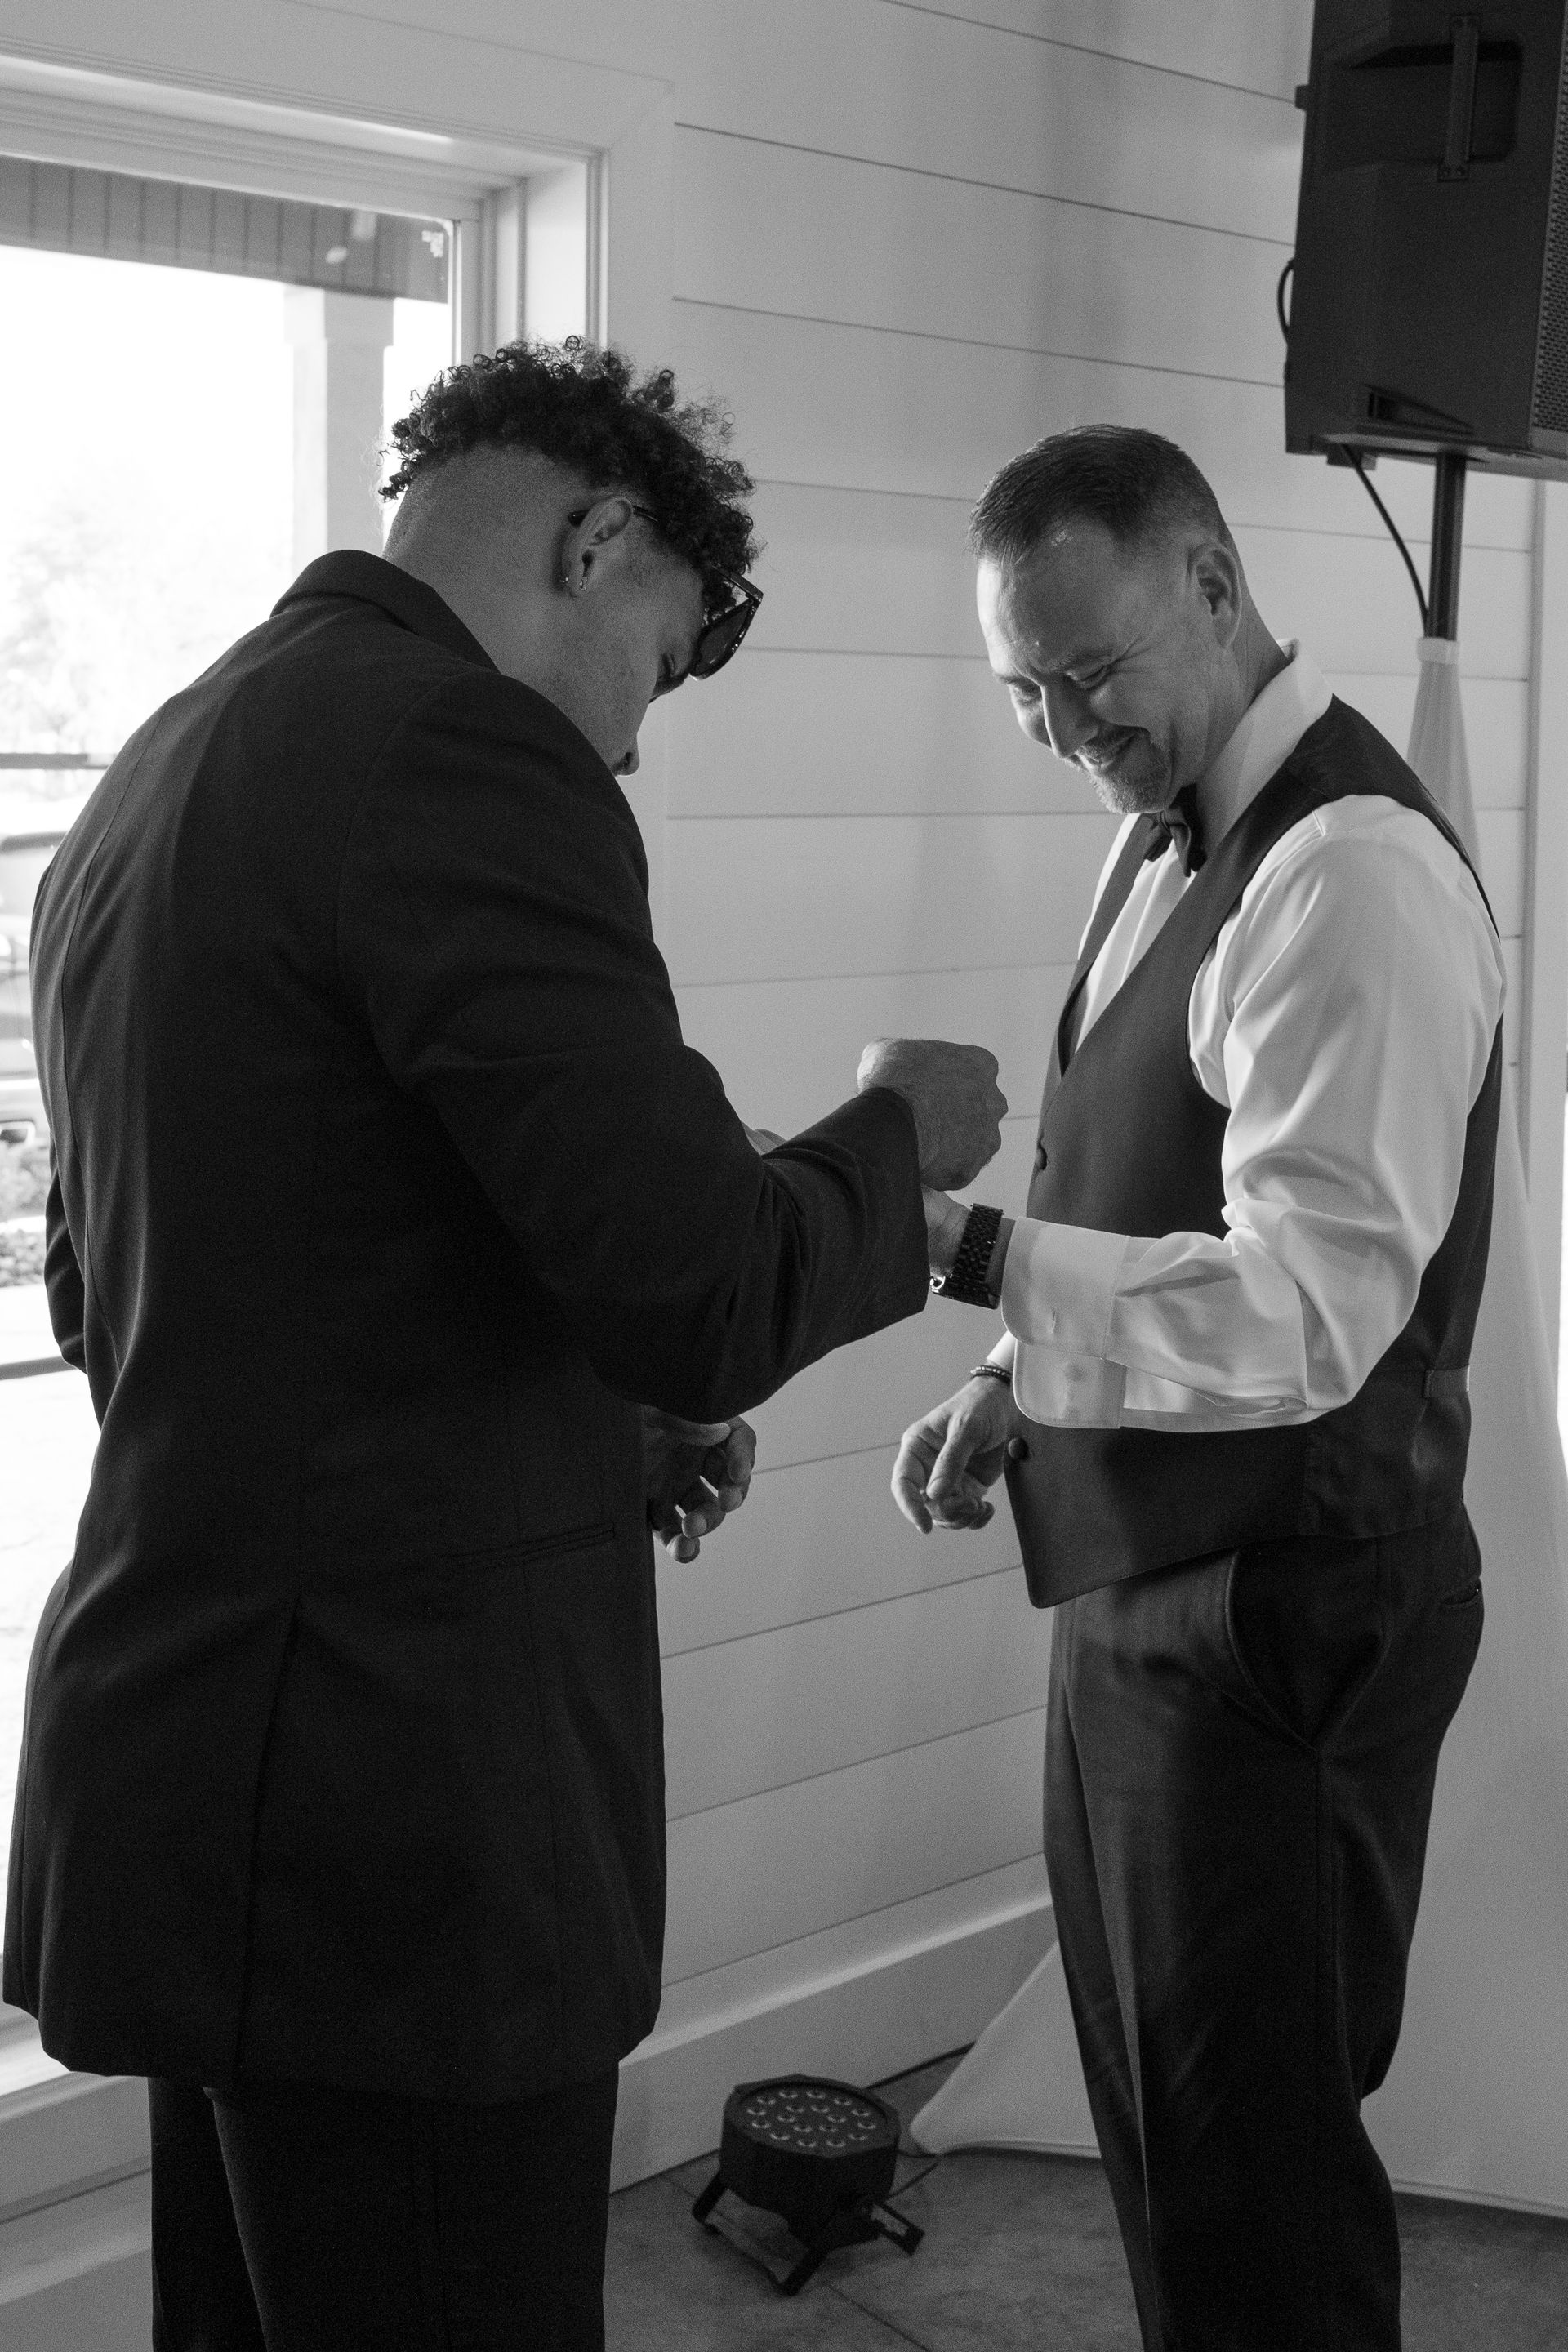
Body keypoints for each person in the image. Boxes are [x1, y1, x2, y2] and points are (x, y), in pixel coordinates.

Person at [2, 338, 1005, 2351]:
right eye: (673, 649)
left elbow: (142, 1301)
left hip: (195, 1768)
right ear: (601, 534)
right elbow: (699, 1277)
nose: (642, 732)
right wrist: (897, 1140)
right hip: (401, 1834)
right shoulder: (465, 755)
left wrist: (588, 1432)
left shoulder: (165, 762)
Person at [892, 425, 1503, 2350]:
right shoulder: (1159, 835)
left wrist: (976, 1254)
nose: (1066, 728)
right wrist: (1018, 1379)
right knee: (1164, 2127)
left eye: (1089, 676)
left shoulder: (1356, 874)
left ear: (1214, 590)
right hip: (1142, 1590)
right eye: (1022, 693)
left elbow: (1311, 1309)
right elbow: (1154, 1174)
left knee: (1254, 2179)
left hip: (1283, 1610)